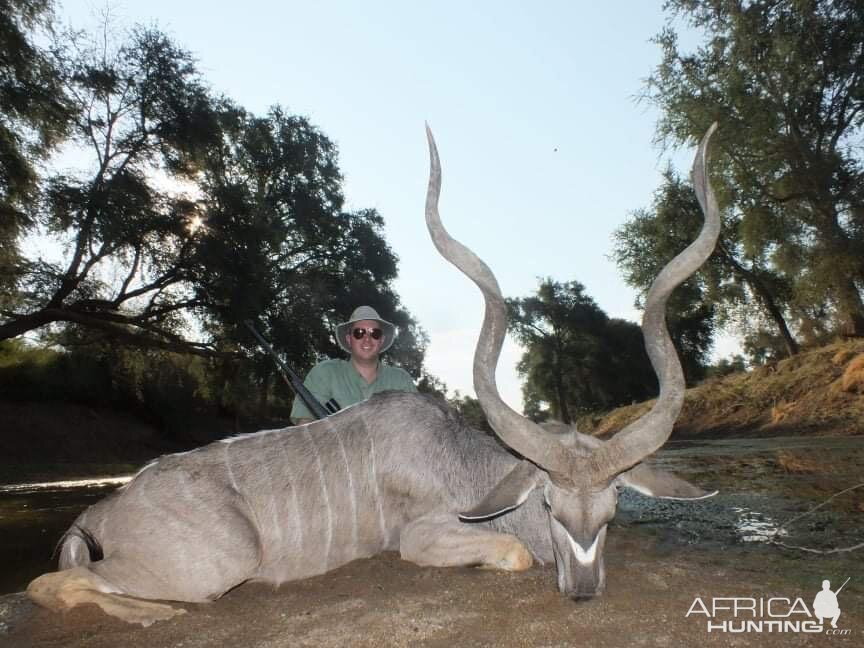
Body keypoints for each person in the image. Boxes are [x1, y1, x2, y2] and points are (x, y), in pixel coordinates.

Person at [290, 305, 417, 424]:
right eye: (359, 333)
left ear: (381, 340)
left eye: (375, 333)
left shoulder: (401, 381)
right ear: (349, 339)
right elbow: (304, 426)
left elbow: (418, 427)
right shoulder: (324, 373)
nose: (367, 339)